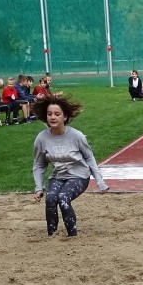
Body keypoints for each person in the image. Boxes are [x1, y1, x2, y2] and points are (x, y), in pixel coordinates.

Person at [31, 95, 108, 237]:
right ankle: (51, 234)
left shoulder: (77, 136)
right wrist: (39, 188)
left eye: (57, 114)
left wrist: (100, 181)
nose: (52, 117)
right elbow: (39, 164)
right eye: (49, 114)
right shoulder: (41, 138)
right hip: (58, 176)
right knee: (51, 198)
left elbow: (89, 157)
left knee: (63, 197)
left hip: (79, 175)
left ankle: (72, 235)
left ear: (65, 117)